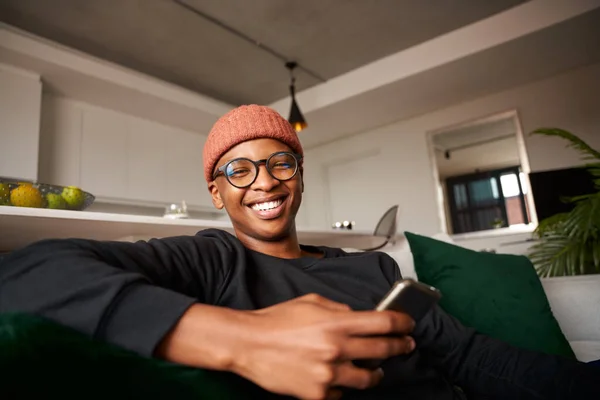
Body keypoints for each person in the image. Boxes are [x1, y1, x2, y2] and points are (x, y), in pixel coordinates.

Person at [0, 105, 598, 400]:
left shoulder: (374, 267)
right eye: (239, 169)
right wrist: (240, 340)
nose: (263, 181)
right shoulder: (211, 260)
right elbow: (25, 273)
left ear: (300, 176)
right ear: (217, 191)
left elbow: (466, 354)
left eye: (280, 162)